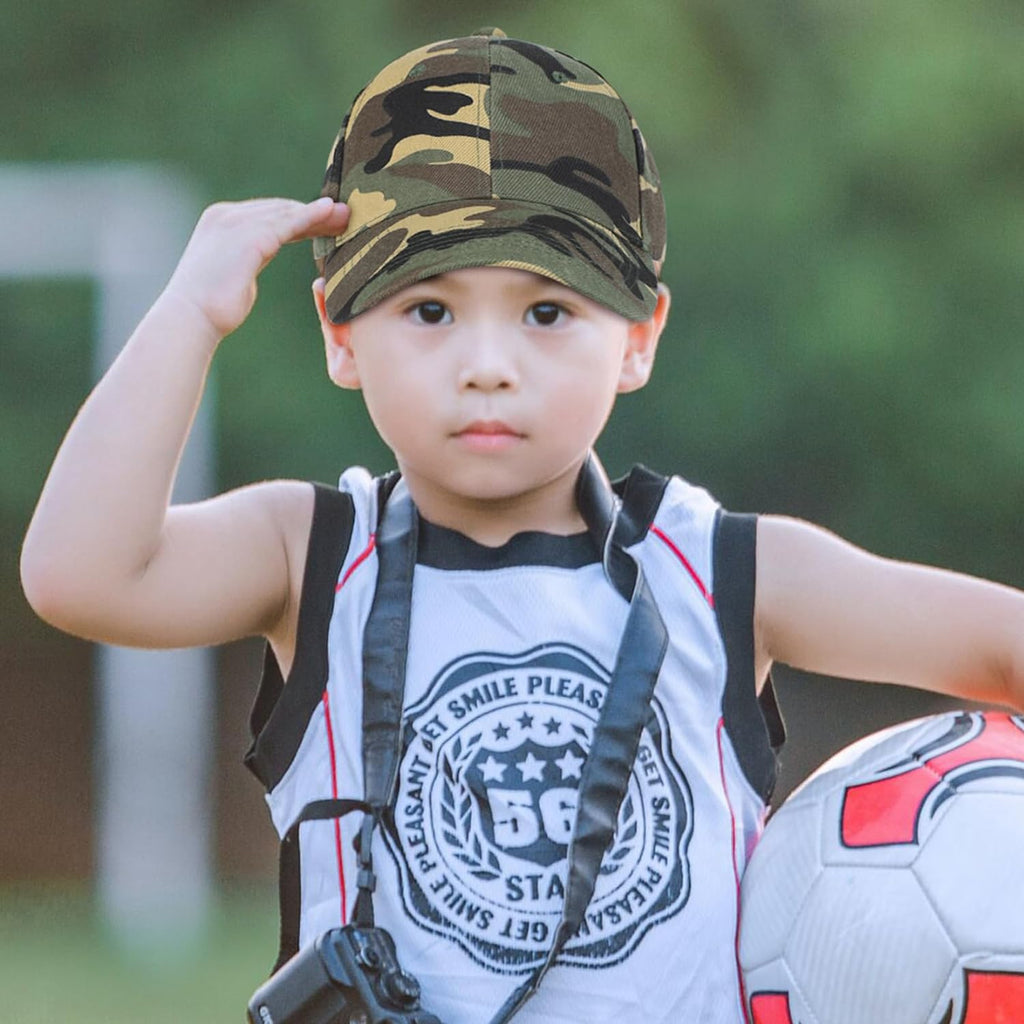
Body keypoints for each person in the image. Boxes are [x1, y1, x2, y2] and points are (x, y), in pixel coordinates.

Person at [19, 27, 1024, 1024]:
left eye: (547, 312)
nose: (487, 362)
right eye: (428, 311)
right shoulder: (313, 555)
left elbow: (998, 644)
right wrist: (192, 310)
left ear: (636, 339)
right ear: (339, 335)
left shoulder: (722, 569)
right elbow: (81, 574)